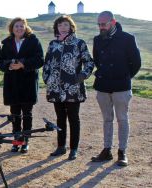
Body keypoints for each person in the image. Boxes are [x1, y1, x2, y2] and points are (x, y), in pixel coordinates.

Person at [91, 11, 141, 166]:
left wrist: (124, 76)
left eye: (103, 24)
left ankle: (122, 152)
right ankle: (106, 150)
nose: (101, 27)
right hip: (103, 85)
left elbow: (136, 63)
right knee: (107, 119)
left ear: (112, 22)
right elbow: (98, 61)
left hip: (122, 86)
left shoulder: (127, 38)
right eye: (98, 24)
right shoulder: (97, 39)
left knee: (122, 119)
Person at [43, 15, 94, 160]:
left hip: (73, 88)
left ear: (71, 27)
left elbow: (89, 62)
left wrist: (82, 76)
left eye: (66, 25)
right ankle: (61, 147)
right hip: (55, 88)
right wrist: (46, 78)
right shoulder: (52, 44)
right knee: (60, 118)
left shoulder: (79, 43)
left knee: (73, 118)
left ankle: (74, 149)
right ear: (56, 28)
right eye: (60, 25)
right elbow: (47, 63)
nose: (63, 28)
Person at [0, 17, 44, 153]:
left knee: (27, 114)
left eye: (21, 26)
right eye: (16, 26)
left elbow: (40, 60)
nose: (19, 28)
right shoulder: (5, 43)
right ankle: (16, 140)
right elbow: (0, 62)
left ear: (26, 27)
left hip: (28, 83)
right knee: (15, 114)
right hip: (12, 84)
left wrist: (23, 64)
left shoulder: (33, 41)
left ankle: (25, 141)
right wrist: (10, 66)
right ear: (12, 28)